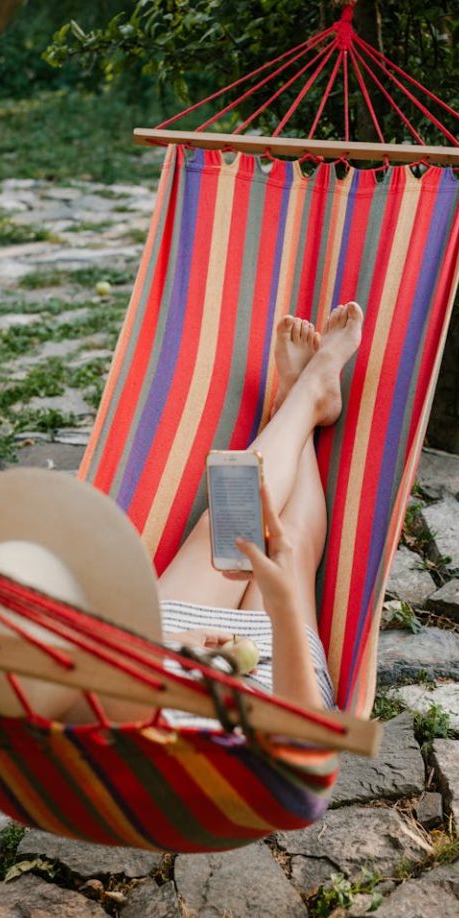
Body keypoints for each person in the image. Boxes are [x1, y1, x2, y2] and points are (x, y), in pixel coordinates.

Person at [157, 301, 364, 713]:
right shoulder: (258, 768)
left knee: (224, 530)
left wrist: (170, 644)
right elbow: (305, 741)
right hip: (275, 696)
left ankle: (301, 400)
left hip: (155, 662)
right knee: (290, 548)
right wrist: (284, 606)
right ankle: (305, 398)